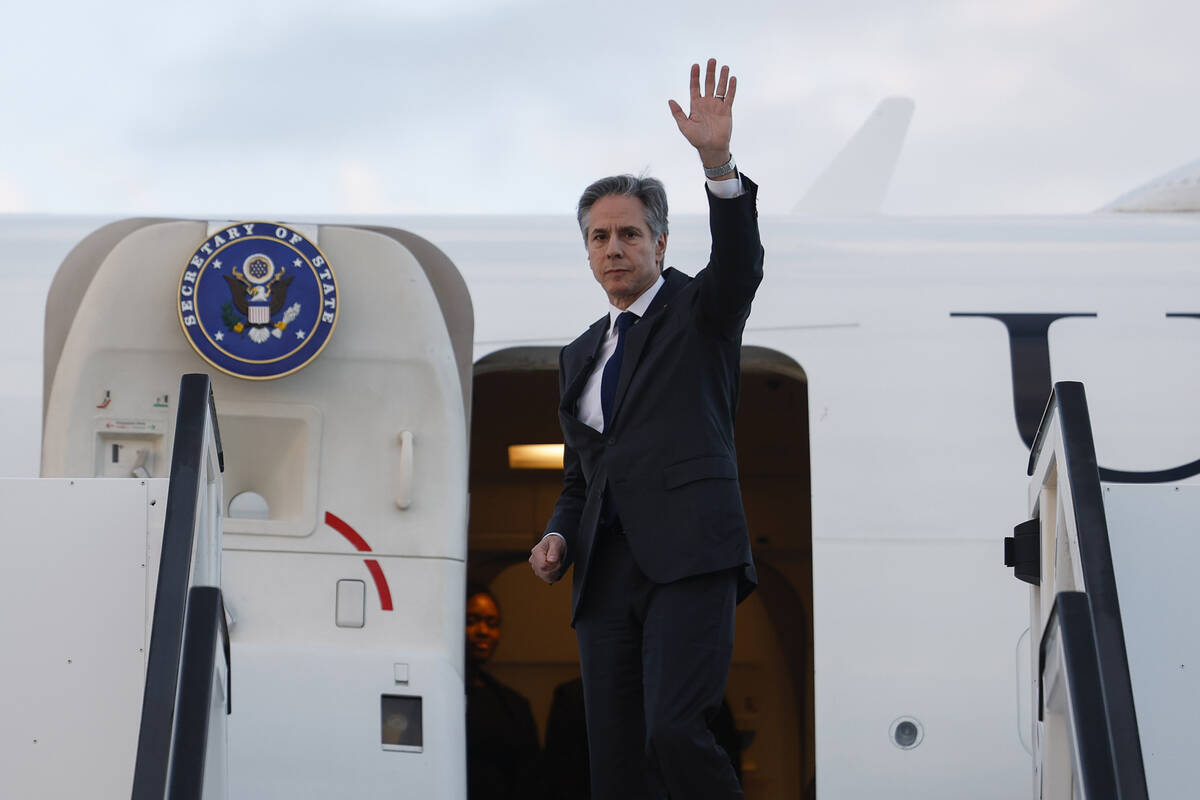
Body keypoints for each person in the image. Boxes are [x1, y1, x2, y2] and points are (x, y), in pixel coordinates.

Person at [528, 59, 763, 800]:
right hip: (604, 575)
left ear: (659, 244)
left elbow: (741, 263)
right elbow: (582, 475)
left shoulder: (701, 312)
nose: (614, 249)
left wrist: (717, 164)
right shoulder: (579, 355)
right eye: (599, 237)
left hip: (690, 557)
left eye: (629, 234)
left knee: (675, 730)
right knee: (616, 763)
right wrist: (559, 534)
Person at [464, 584, 541, 800]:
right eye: (471, 621)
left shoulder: (513, 706)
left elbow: (530, 778)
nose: (482, 631)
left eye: (491, 623)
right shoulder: (437, 696)